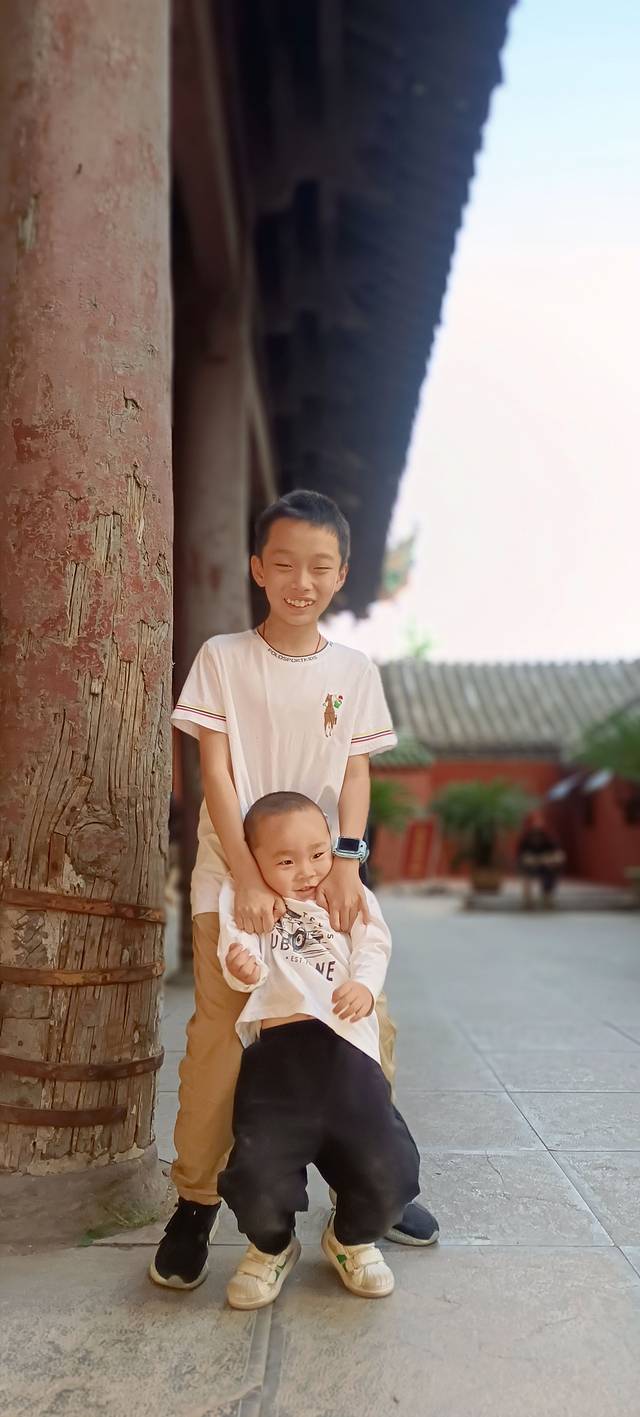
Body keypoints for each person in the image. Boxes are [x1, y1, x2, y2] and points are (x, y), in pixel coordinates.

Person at [150, 489, 438, 1291]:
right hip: (233, 873)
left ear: (341, 574)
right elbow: (212, 770)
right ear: (257, 568)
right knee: (221, 1032)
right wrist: (245, 875)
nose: (300, 580)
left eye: (319, 566)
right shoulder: (223, 658)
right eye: (283, 563)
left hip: (321, 868)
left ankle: (367, 1189)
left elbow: (354, 770)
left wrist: (347, 863)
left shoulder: (354, 672)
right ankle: (197, 1200)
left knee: (363, 1015)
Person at [217, 791, 422, 1308]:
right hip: (278, 1057)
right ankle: (272, 1247)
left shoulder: (345, 894)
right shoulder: (249, 898)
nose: (306, 871)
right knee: (256, 1173)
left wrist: (365, 985)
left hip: (347, 1050)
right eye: (285, 861)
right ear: (254, 860)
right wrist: (243, 967)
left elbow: (373, 941)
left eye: (317, 853)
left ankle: (351, 1239)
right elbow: (237, 947)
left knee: (388, 1170)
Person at [517, 812, 565, 908]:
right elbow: (524, 858)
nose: (537, 834)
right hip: (530, 866)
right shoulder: (525, 840)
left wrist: (547, 860)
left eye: (539, 830)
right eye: (534, 830)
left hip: (546, 866)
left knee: (551, 871)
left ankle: (547, 898)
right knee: (526, 869)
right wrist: (542, 859)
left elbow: (560, 856)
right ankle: (528, 900)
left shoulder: (550, 840)